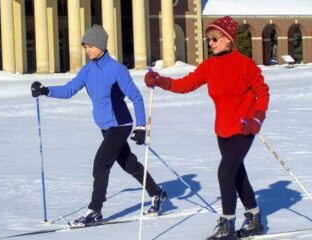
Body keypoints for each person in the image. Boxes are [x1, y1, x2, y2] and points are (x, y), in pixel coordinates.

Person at [144, 16, 269, 240]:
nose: (210, 43)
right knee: (236, 173)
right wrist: (161, 80)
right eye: (208, 39)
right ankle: (254, 218)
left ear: (228, 40)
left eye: (214, 39)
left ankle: (227, 225)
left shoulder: (244, 64)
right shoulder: (209, 66)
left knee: (225, 172)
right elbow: (186, 84)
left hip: (244, 129)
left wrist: (256, 119)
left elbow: (262, 92)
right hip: (223, 130)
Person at [31, 24, 167, 226]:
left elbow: (136, 98)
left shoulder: (117, 70)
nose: (87, 50)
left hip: (120, 124)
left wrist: (140, 127)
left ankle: (95, 211)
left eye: (90, 46)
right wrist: (45, 90)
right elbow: (69, 90)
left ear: (101, 45)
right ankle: (157, 193)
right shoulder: (87, 71)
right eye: (85, 46)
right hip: (105, 127)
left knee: (100, 164)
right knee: (129, 164)